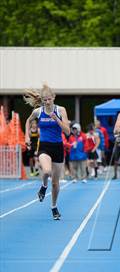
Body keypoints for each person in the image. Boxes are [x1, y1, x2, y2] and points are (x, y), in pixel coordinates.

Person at [23, 84, 70, 220]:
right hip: (44, 146)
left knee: (55, 183)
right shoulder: (38, 111)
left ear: (53, 98)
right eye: (44, 100)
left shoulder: (61, 110)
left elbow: (67, 131)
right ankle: (44, 186)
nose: (47, 102)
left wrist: (57, 120)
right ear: (42, 100)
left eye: (49, 99)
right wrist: (27, 136)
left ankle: (54, 207)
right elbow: (28, 121)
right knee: (47, 171)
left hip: (58, 147)